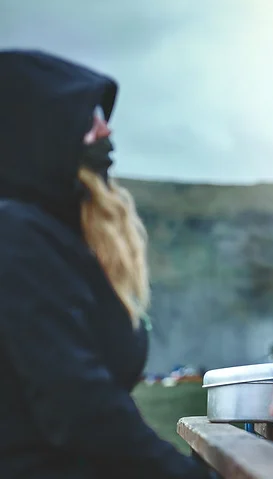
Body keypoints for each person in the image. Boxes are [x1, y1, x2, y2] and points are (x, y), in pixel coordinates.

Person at [0, 50, 218, 478]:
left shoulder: (56, 237)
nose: (106, 128)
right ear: (37, 127)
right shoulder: (16, 235)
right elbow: (79, 406)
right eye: (87, 116)